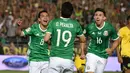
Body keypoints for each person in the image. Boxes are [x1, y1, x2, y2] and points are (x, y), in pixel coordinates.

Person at [44, 2, 86, 73]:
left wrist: (52, 41)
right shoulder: (75, 24)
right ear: (71, 12)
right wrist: (82, 52)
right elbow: (83, 40)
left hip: (55, 58)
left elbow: (46, 39)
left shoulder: (53, 22)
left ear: (61, 11)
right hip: (68, 59)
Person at [84, 8, 119, 73]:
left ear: (104, 18)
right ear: (94, 17)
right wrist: (83, 51)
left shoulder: (109, 27)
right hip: (92, 52)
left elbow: (117, 40)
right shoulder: (89, 27)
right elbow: (83, 38)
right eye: (96, 15)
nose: (97, 17)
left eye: (100, 15)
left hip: (103, 55)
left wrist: (111, 49)